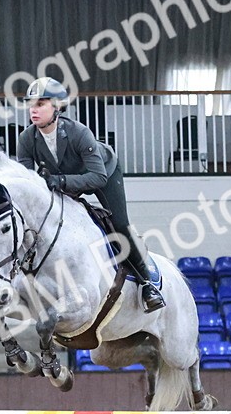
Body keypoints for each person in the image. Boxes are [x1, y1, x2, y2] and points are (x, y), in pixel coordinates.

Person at [16, 77, 166, 313]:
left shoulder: (79, 132)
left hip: (103, 173)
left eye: (41, 104)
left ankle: (147, 284)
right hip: (66, 179)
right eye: (31, 104)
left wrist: (60, 181)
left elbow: (98, 178)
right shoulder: (26, 139)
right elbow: (27, 182)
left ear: (57, 106)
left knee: (119, 224)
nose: (33, 110)